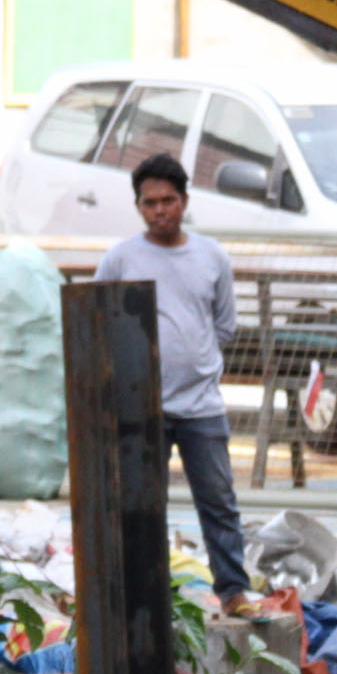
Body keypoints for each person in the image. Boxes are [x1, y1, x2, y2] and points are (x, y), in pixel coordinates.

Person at [89, 152, 251, 611]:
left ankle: (233, 590)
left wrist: (196, 361)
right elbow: (96, 316)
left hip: (201, 406)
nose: (160, 210)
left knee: (218, 501)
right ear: (139, 206)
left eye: (169, 200)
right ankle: (144, 593)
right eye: (150, 202)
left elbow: (223, 324)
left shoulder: (211, 256)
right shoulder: (122, 258)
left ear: (185, 201)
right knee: (141, 505)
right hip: (143, 406)